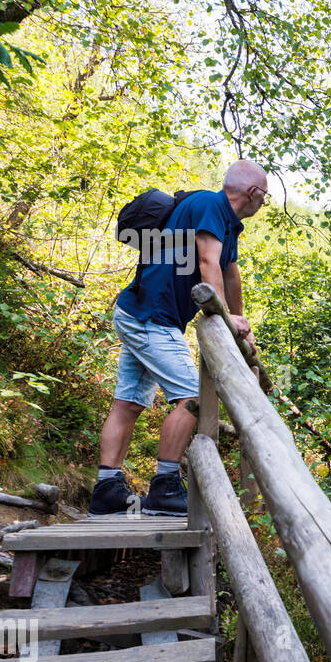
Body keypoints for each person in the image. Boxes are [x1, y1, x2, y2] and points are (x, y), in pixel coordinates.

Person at [88, 159, 267, 516]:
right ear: (253, 192)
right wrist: (225, 320)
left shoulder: (226, 224)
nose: (265, 202)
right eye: (265, 196)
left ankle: (105, 490)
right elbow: (208, 263)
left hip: (143, 313)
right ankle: (165, 487)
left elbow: (230, 273)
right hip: (152, 318)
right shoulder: (208, 205)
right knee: (192, 398)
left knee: (129, 402)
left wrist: (239, 318)